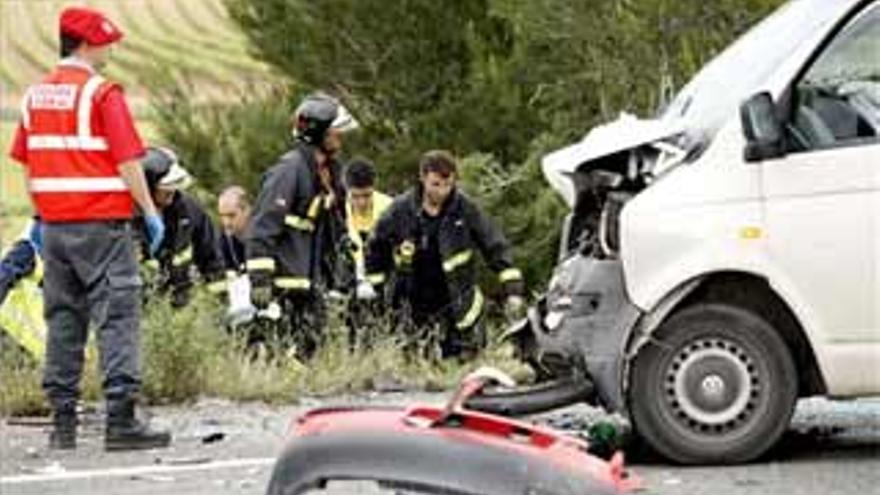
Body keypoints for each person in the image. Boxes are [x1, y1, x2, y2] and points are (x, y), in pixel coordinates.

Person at [8, 7, 170, 450]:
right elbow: (127, 160)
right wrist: (149, 212)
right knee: (117, 316)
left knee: (63, 318)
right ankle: (121, 423)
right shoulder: (102, 94)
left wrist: (41, 213)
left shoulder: (35, 95)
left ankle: (63, 425)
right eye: (107, 41)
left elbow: (28, 161)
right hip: (101, 226)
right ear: (87, 44)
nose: (112, 48)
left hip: (55, 229)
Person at [364, 150, 525, 359]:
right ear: (422, 178)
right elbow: (375, 247)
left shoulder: (465, 208)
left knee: (464, 362)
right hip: (413, 301)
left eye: (448, 185)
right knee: (415, 362)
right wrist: (378, 288)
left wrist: (512, 285)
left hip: (458, 301)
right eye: (435, 185)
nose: (442, 191)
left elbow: (493, 243)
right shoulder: (400, 211)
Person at [245, 92, 358, 358]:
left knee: (313, 345)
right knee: (287, 347)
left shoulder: (331, 173)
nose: (339, 138)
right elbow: (262, 228)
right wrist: (260, 280)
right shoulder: (290, 170)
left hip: (313, 280)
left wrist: (343, 271)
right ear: (317, 133)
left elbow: (336, 227)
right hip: (287, 282)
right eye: (334, 132)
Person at [139, 147, 226, 307]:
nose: (172, 191)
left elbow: (211, 256)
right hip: (140, 306)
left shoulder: (188, 209)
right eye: (166, 186)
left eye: (175, 185)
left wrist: (221, 301)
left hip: (180, 303)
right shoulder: (128, 218)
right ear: (148, 186)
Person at [217, 185, 250, 274]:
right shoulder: (223, 240)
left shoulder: (264, 234)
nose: (226, 223)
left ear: (246, 211)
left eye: (231, 215)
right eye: (222, 216)